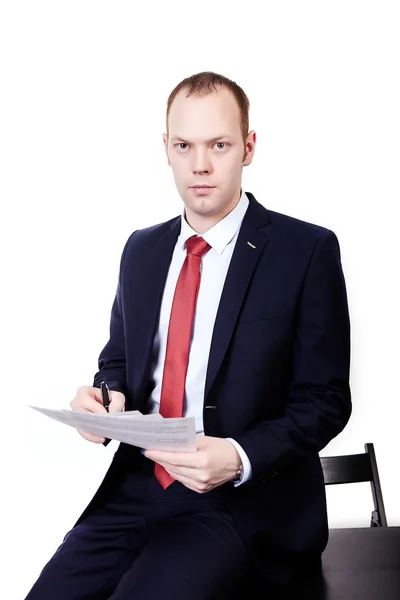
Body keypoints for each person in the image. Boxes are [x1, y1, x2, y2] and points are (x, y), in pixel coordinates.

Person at [26, 71, 351, 599]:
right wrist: (102, 400)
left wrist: (240, 457)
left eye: (218, 145)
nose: (200, 165)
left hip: (238, 500)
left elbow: (326, 400)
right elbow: (121, 361)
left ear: (247, 148)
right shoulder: (142, 250)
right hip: (137, 483)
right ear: (166, 149)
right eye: (184, 146)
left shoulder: (305, 251)